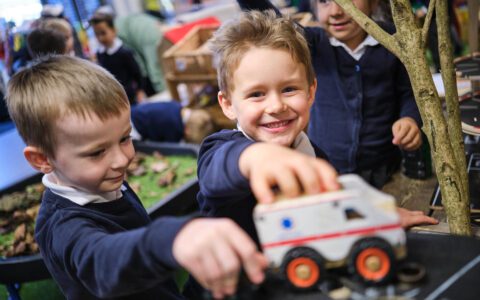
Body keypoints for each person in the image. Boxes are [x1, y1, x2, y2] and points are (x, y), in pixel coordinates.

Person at [5, 55, 266, 300]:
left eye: (124, 138)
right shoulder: (62, 226)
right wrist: (170, 238)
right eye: (97, 152)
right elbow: (102, 261)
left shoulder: (102, 180)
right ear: (43, 160)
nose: (122, 160)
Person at [198, 10, 436, 248]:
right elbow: (218, 171)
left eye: (289, 89)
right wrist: (254, 157)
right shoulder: (219, 151)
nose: (276, 106)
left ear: (311, 92)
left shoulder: (315, 155)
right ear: (228, 105)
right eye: (256, 94)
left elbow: (333, 208)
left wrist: (376, 214)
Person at [237, 0, 423, 190]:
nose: (335, 11)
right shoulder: (313, 44)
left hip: (385, 168)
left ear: (373, 3)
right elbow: (276, 22)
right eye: (324, 1)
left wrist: (409, 118)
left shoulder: (393, 41)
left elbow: (409, 92)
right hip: (327, 166)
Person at [89, 13, 145, 105]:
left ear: (114, 31)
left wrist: (140, 91)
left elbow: (137, 73)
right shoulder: (100, 54)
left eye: (103, 33)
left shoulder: (125, 53)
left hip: (130, 97)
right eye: (97, 34)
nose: (100, 38)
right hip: (113, 98)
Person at [130, 101, 215, 144]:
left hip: (135, 111)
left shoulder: (178, 108)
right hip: (134, 127)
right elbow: (169, 145)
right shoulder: (173, 126)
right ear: (187, 131)